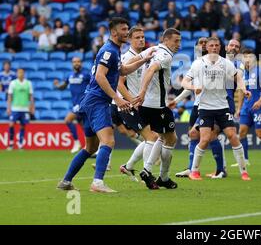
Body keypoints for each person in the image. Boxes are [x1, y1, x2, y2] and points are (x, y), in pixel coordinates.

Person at [57, 17, 154, 193]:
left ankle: (66, 181)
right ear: (114, 32)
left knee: (90, 148)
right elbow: (101, 76)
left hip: (89, 102)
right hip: (97, 101)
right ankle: (98, 183)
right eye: (124, 29)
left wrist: (144, 59)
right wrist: (117, 98)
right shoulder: (109, 50)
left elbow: (122, 70)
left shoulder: (114, 51)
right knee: (108, 141)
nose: (127, 32)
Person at [181, 37, 251, 181]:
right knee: (205, 139)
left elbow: (238, 78)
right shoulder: (198, 63)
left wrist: (244, 89)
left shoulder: (226, 64)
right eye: (211, 45)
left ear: (220, 47)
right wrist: (194, 87)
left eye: (216, 45)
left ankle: (243, 172)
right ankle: (194, 172)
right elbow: (184, 82)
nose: (214, 47)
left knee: (232, 136)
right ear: (206, 47)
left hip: (222, 106)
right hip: (205, 107)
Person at [133, 28, 182, 190]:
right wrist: (142, 91)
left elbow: (132, 63)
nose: (179, 45)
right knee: (171, 138)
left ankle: (152, 172)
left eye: (180, 41)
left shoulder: (152, 49)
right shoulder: (166, 55)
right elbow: (151, 69)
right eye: (176, 41)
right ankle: (160, 175)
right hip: (156, 105)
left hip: (146, 104)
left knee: (162, 137)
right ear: (166, 40)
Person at [117, 26, 162, 182]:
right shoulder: (125, 58)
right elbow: (119, 83)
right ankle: (146, 175)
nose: (141, 39)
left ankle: (128, 167)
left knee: (152, 137)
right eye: (137, 37)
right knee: (151, 137)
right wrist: (131, 101)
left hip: (142, 104)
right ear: (130, 39)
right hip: (128, 105)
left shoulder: (146, 56)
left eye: (142, 37)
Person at [53, 57, 90, 154]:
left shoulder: (86, 74)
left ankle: (77, 142)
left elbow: (93, 85)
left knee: (68, 120)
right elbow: (63, 86)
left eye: (78, 61)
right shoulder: (69, 75)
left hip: (82, 103)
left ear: (81, 63)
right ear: (72, 64)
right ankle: (90, 146)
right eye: (74, 62)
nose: (76, 63)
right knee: (84, 126)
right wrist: (57, 85)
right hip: (75, 103)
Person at [7, 68, 34, 150]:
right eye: (19, 72)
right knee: (11, 124)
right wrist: (8, 107)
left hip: (25, 108)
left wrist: (32, 106)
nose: (20, 74)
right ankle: (11, 143)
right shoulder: (13, 83)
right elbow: (10, 96)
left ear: (24, 73)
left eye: (22, 72)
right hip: (15, 108)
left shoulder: (28, 83)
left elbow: (31, 96)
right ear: (17, 74)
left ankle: (20, 144)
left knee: (23, 126)